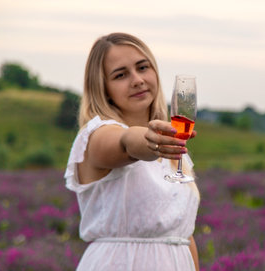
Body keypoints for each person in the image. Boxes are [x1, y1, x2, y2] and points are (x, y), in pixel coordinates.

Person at [64, 32, 200, 271]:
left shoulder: (175, 151)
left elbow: (183, 237)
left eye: (142, 67)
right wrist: (150, 141)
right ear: (103, 88)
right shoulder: (96, 136)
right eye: (121, 75)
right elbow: (127, 142)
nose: (137, 80)